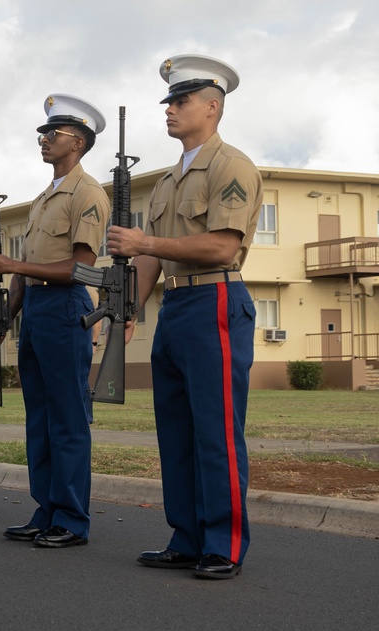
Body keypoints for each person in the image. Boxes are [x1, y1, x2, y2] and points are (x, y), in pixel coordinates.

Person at [108, 55, 263, 579]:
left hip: (215, 300)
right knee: (174, 429)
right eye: (169, 102)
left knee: (216, 430)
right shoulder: (169, 181)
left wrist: (144, 241)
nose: (170, 110)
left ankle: (223, 543)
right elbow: (151, 257)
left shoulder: (230, 166)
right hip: (175, 305)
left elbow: (221, 247)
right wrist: (128, 310)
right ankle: (187, 535)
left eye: (181, 100)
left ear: (213, 107)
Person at [0, 95, 110, 548]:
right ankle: (46, 509)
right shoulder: (42, 199)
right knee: (38, 417)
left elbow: (81, 267)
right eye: (44, 132)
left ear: (77, 142)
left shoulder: (88, 194)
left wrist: (14, 268)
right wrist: (6, 315)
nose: (43, 139)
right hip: (36, 308)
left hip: (66, 306)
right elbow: (29, 267)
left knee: (67, 418)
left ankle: (72, 519)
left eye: (52, 134)